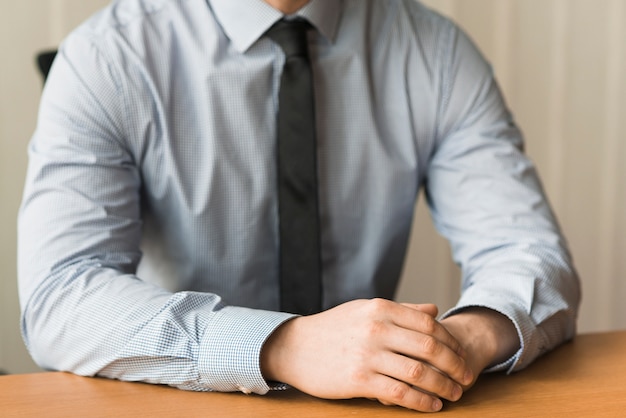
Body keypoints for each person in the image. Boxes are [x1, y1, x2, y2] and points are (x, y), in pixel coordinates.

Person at [18, 0, 580, 413]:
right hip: (175, 400)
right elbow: (62, 294)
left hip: (374, 403)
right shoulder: (106, 58)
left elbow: (525, 251)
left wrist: (460, 343)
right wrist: (279, 346)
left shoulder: (436, 53)